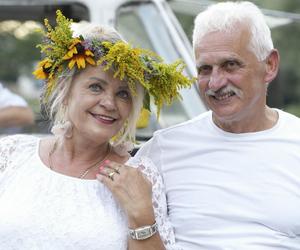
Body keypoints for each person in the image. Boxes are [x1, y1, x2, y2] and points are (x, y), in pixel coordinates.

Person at [0, 10, 194, 250]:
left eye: (123, 93)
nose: (110, 103)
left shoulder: (139, 175)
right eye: (95, 87)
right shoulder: (10, 155)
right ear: (66, 91)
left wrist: (142, 216)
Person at [134, 1, 300, 249]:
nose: (215, 82)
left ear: (270, 65)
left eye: (230, 65)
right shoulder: (165, 149)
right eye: (204, 69)